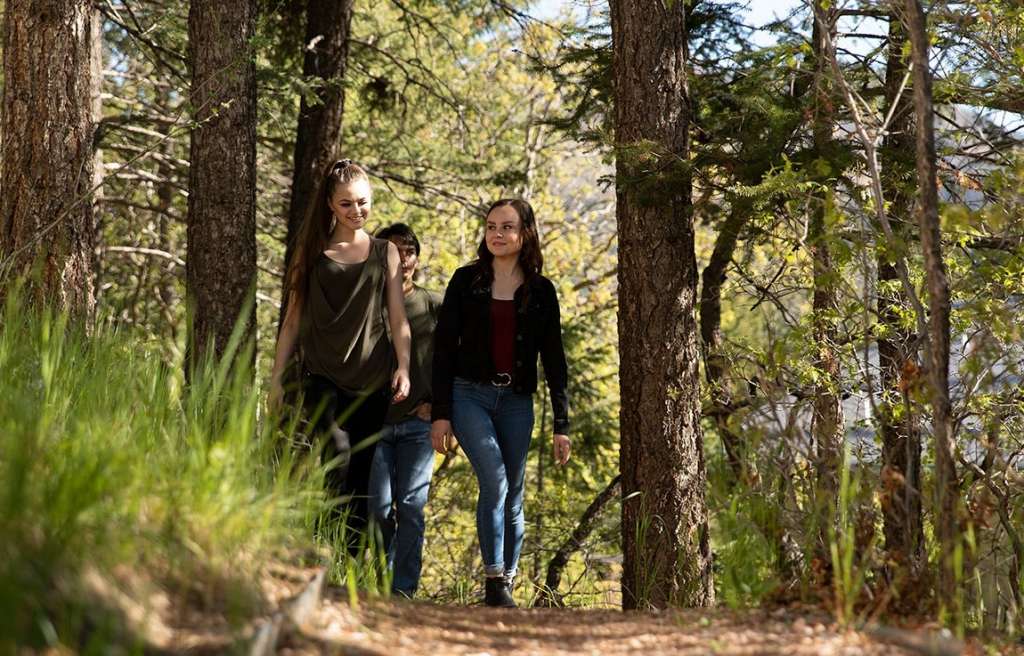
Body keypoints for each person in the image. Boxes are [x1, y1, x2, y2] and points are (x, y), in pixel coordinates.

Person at [430, 198, 571, 608]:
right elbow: (442, 351)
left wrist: (561, 424)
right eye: (491, 226)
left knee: (514, 492)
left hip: (516, 401)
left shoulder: (541, 291)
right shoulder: (466, 281)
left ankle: (507, 580)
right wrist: (441, 415)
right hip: (468, 394)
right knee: (495, 480)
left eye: (507, 227)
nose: (497, 234)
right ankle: (494, 579)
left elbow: (555, 360)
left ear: (525, 232)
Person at [269, 159, 411, 551]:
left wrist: (403, 366)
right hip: (322, 376)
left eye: (362, 202)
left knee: (362, 479)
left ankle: (347, 559)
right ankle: (324, 550)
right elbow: (293, 318)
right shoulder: (312, 252)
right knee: (337, 459)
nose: (357, 211)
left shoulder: (386, 253)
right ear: (330, 205)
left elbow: (398, 316)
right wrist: (276, 376)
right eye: (346, 203)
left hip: (372, 381)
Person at [367, 223, 442, 599]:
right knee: (379, 510)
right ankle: (382, 586)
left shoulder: (431, 303)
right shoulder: (368, 302)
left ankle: (403, 592)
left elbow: (455, 358)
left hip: (418, 424)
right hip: (375, 425)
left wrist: (443, 408)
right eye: (396, 250)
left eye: (410, 250)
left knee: (412, 506)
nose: (405, 258)